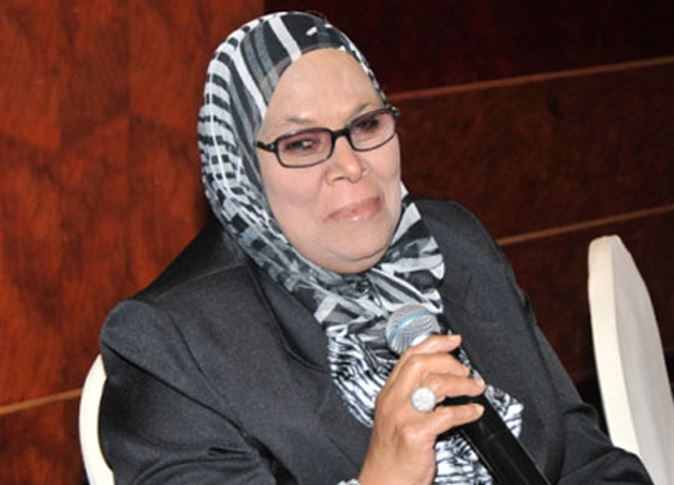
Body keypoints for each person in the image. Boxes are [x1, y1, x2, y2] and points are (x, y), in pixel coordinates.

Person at [98, 11, 652, 485]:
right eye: (303, 143)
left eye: (365, 125)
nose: (349, 164)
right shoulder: (172, 343)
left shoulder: (453, 245)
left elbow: (586, 458)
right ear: (239, 168)